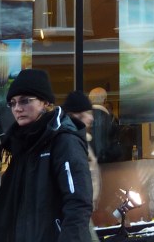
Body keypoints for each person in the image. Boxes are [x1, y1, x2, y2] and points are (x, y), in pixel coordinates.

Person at [0, 69, 93, 242]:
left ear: (45, 103)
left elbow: (78, 202)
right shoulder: (18, 143)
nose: (17, 108)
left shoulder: (64, 140)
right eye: (12, 103)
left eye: (25, 101)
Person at [63, 90, 101, 242]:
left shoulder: (80, 137)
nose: (91, 118)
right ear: (75, 115)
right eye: (88, 113)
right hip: (78, 210)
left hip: (82, 208)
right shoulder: (71, 140)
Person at [88, 87, 120, 163]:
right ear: (105, 100)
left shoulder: (84, 117)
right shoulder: (111, 119)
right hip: (107, 162)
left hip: (88, 161)